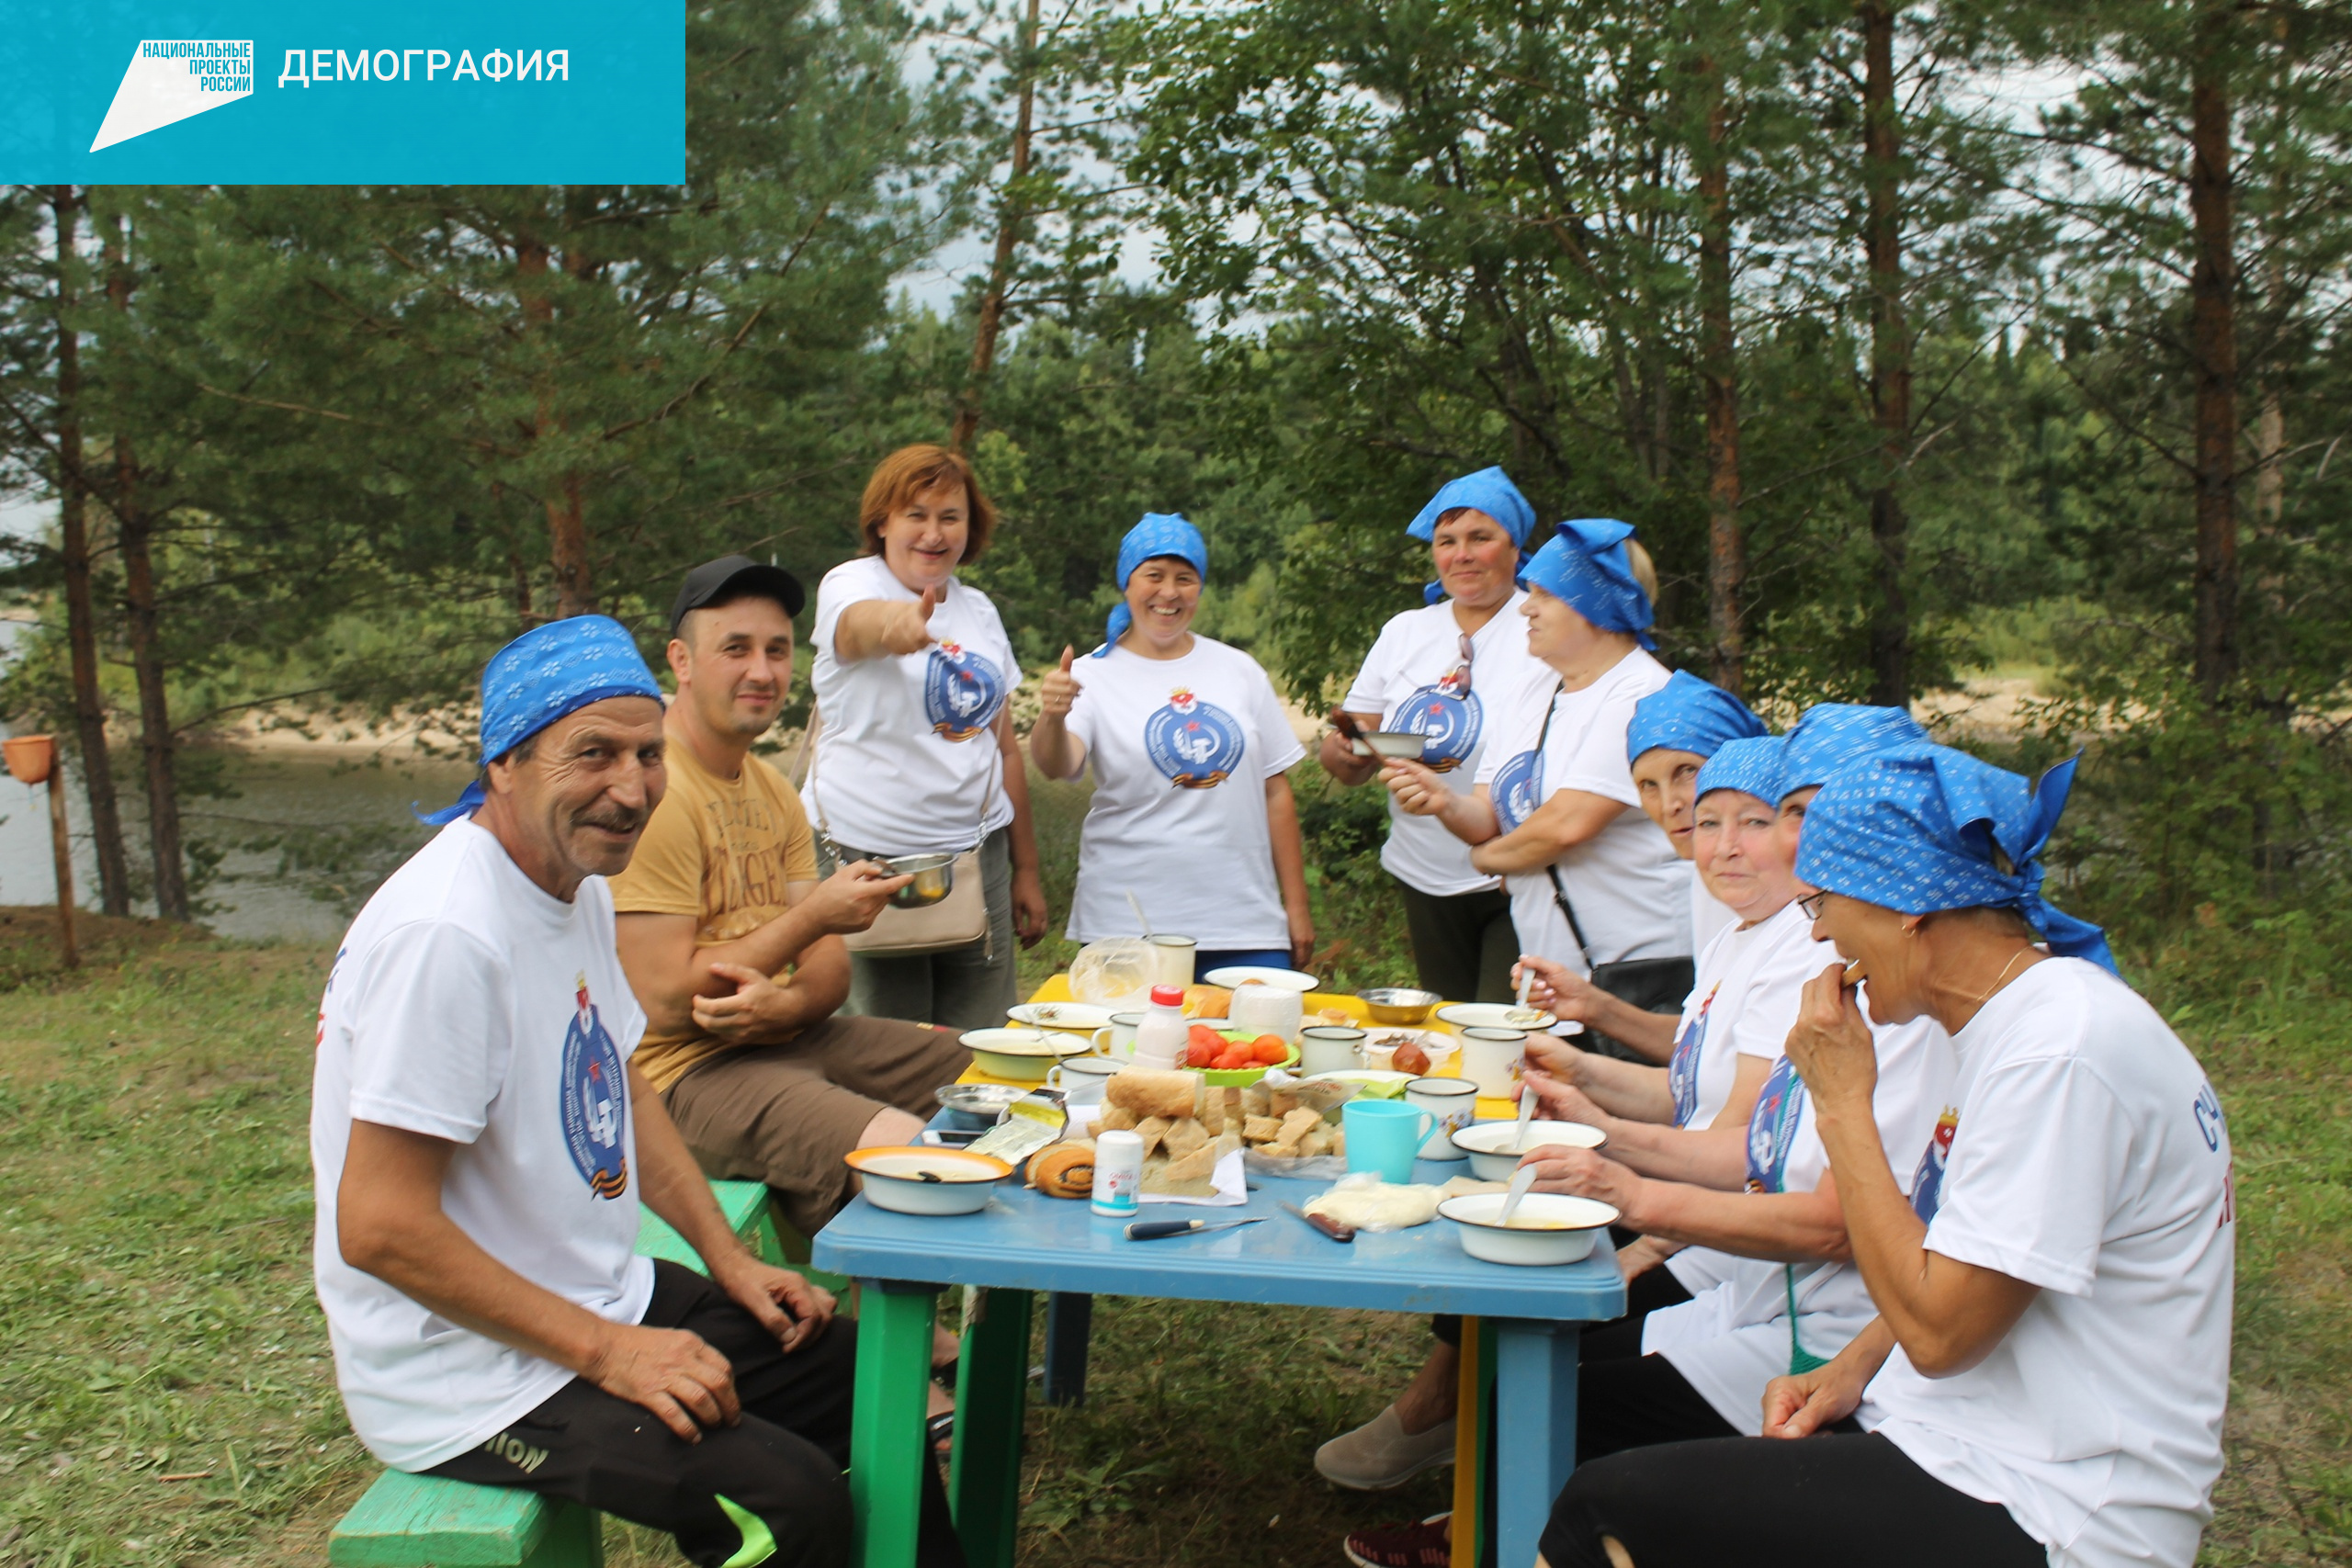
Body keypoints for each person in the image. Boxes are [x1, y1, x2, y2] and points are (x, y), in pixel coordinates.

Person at [311, 615, 964, 1568]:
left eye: (647, 754)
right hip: (464, 1374)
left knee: (879, 1386)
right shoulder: (448, 936)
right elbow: (376, 1226)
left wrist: (726, 1261)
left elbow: (621, 1084)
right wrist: (613, 1353)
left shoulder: (570, 886)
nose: (630, 788)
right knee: (786, 1502)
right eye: (592, 755)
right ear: (505, 763)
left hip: (598, 1292)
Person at [1538, 745, 2233, 1568]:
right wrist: (1853, 1366)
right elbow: (1969, 1252)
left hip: (2063, 1504)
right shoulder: (2021, 1020)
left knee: (1604, 1509)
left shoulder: (2057, 1055)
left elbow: (1942, 1334)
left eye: (1826, 901)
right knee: (1621, 1469)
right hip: (1974, 1435)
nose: (1822, 931)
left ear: (1908, 905)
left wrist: (1841, 1105)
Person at [1331, 736, 1839, 1564]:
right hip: (1747, 1264)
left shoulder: (1810, 955)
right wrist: (1583, 1057)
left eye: (1760, 819)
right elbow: (1696, 1089)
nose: (1713, 838)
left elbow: (1755, 1156)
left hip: (1773, 1288)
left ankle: (1496, 1529)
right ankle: (1488, 1514)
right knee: (1511, 1311)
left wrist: (1631, 1200)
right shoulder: (1746, 932)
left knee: (1541, 1360)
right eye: (1697, 813)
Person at [610, 556, 978, 1244]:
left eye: (777, 650)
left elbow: (829, 973)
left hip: (793, 1037)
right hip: (680, 1078)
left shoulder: (772, 789)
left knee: (993, 1075)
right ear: (681, 661)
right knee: (904, 1156)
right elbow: (664, 1001)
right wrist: (810, 917)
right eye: (736, 649)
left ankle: (966, 1308)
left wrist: (786, 1002)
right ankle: (913, 1347)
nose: (762, 671)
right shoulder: (654, 789)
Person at [1382, 518, 1691, 1056]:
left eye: (1545, 595)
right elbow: (1489, 812)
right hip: (1555, 976)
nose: (1525, 607)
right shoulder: (1536, 691)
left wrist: (1485, 862)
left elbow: (1565, 826)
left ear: (1596, 603)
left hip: (1639, 974)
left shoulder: (1641, 695)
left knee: (1617, 1133)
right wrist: (1443, 801)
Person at [805, 445, 1047, 1029]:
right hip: (868, 859)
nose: (933, 534)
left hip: (976, 856)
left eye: (950, 516)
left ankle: (974, 1128)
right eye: (916, 514)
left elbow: (1004, 747)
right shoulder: (851, 582)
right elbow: (855, 628)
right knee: (883, 1043)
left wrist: (1026, 871)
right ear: (882, 521)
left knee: (982, 1040)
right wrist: (899, 624)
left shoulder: (980, 611)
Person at [1029, 513, 1314, 972]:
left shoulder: (1239, 670)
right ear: (1127, 584)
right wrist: (1053, 715)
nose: (1169, 592)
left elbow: (1275, 790)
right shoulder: (1090, 674)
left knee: (1255, 1044)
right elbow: (1056, 763)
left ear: (1199, 588)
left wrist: (1296, 909)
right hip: (1126, 927)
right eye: (1153, 576)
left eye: (1185, 578)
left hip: (1244, 922)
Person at [1317, 468, 1556, 1002]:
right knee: (1445, 1027)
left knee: (1497, 1033)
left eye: (1480, 538)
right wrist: (1344, 751)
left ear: (1516, 548)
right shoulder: (1406, 631)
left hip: (1512, 876)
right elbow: (1351, 755)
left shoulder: (1544, 626)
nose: (1462, 554)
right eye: (1446, 541)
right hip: (1422, 873)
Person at [1529, 671, 1770, 1062]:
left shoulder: (1775, 895)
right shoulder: (1707, 879)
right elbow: (1704, 1047)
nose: (1669, 803)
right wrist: (1591, 1005)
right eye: (1647, 786)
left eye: (1687, 772)